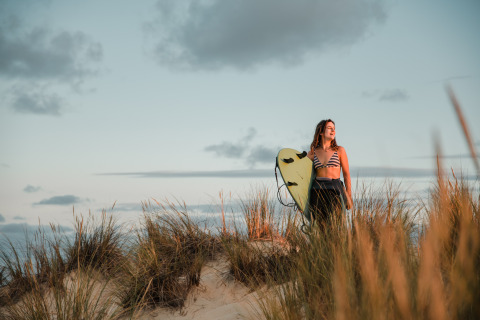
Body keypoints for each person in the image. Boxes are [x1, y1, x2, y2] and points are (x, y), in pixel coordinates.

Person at [306, 119, 353, 225]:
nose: (333, 131)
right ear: (321, 132)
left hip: (334, 191)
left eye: (334, 129)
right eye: (329, 128)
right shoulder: (313, 152)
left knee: (334, 225)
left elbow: (346, 175)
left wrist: (348, 195)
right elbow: (304, 176)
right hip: (316, 191)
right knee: (319, 226)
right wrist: (301, 201)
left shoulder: (339, 150)